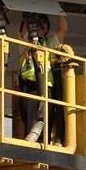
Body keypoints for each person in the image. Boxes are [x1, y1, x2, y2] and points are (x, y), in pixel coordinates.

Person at [17, 13, 67, 143]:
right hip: (29, 89)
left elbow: (63, 29)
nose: (38, 27)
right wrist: (27, 16)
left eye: (42, 24)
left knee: (45, 121)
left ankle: (43, 144)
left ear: (46, 30)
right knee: (30, 121)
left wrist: (59, 12)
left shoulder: (49, 44)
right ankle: (31, 144)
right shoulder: (25, 43)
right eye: (36, 24)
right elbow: (22, 31)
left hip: (46, 89)